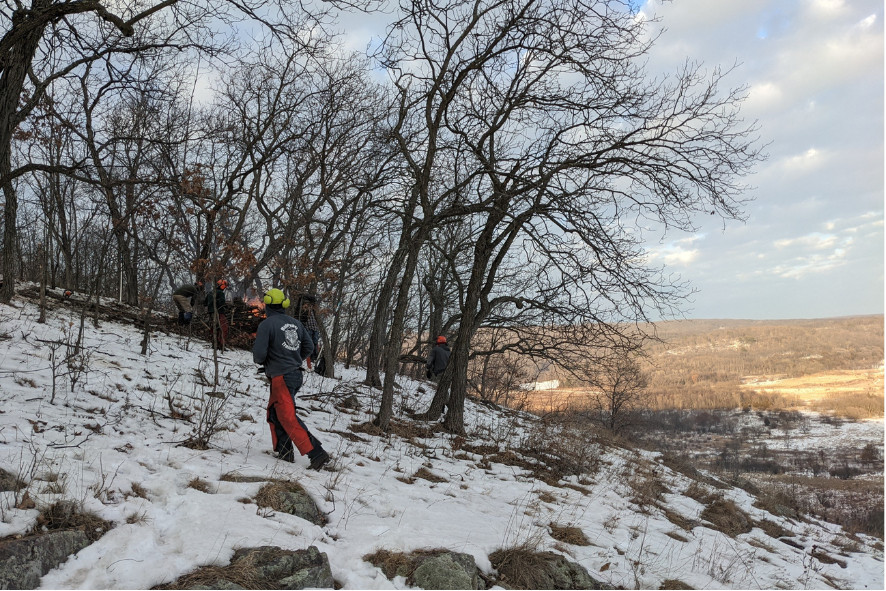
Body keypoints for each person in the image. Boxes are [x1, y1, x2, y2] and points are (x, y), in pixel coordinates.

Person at [253, 288, 330, 470]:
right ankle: (284, 451)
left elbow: (258, 355)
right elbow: (309, 346)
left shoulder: (267, 324)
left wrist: (270, 361)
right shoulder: (296, 323)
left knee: (287, 416)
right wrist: (294, 359)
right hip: (295, 375)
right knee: (275, 412)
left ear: (268, 303)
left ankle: (317, 453)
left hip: (281, 377)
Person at [297, 294, 321, 369]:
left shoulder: (313, 310)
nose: (307, 305)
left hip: (315, 328)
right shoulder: (303, 310)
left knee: (315, 342)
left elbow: (314, 300)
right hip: (308, 328)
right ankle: (309, 360)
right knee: (309, 343)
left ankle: (315, 357)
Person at [205, 279, 229, 350]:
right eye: (224, 286)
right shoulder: (220, 293)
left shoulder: (210, 293)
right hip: (219, 312)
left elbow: (205, 303)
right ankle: (221, 345)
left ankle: (214, 344)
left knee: (214, 328)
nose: (225, 287)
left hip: (211, 313)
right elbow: (222, 302)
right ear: (221, 285)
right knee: (223, 328)